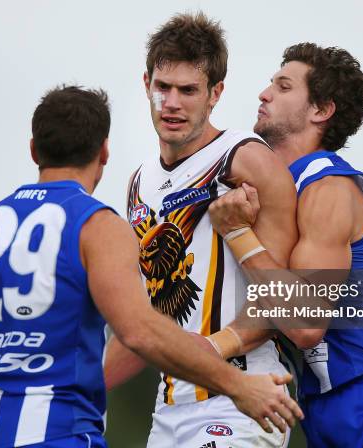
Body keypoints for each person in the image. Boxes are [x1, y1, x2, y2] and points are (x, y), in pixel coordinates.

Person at [0, 85, 303, 448]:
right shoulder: (97, 225)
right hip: (58, 432)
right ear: (104, 152)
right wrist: (239, 385)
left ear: (34, 150)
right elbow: (139, 332)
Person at [206, 43, 363, 447]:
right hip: (319, 408)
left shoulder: (327, 186)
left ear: (320, 110)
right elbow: (266, 299)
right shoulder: (274, 189)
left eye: (282, 86)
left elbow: (306, 324)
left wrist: (239, 234)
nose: (264, 94)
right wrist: (202, 349)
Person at [103, 12, 300, 448]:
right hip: (170, 404)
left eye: (188, 90)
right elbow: (144, 321)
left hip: (243, 398)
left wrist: (209, 353)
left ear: (215, 94)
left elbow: (285, 299)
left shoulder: (246, 160)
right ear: (146, 84)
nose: (172, 102)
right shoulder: (138, 183)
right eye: (163, 88)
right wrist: (76, 390)